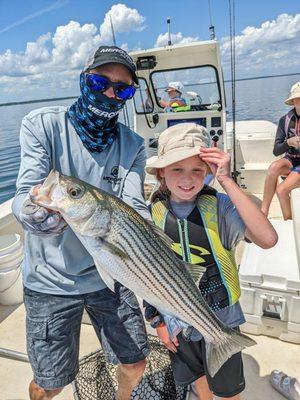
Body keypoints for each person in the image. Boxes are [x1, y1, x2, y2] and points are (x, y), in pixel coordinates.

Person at [12, 45, 151, 400]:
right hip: (50, 281)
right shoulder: (43, 124)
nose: (110, 93)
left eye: (123, 89)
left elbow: (134, 205)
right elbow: (25, 193)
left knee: (135, 363)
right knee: (50, 383)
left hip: (112, 272)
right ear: (82, 79)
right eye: (99, 81)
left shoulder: (133, 144)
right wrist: (32, 215)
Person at [144, 123, 278, 400]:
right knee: (197, 379)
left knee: (228, 391)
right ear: (160, 172)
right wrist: (157, 320)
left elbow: (267, 239)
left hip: (222, 317)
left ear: (208, 172)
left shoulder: (221, 206)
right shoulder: (149, 215)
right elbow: (146, 273)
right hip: (176, 320)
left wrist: (226, 181)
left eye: (197, 170)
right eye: (176, 169)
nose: (187, 179)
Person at [261, 82, 300, 220]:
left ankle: (288, 221)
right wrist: (289, 142)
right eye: (298, 99)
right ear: (293, 101)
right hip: (291, 160)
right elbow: (276, 151)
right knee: (273, 168)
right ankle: (264, 211)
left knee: (282, 190)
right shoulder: (285, 120)